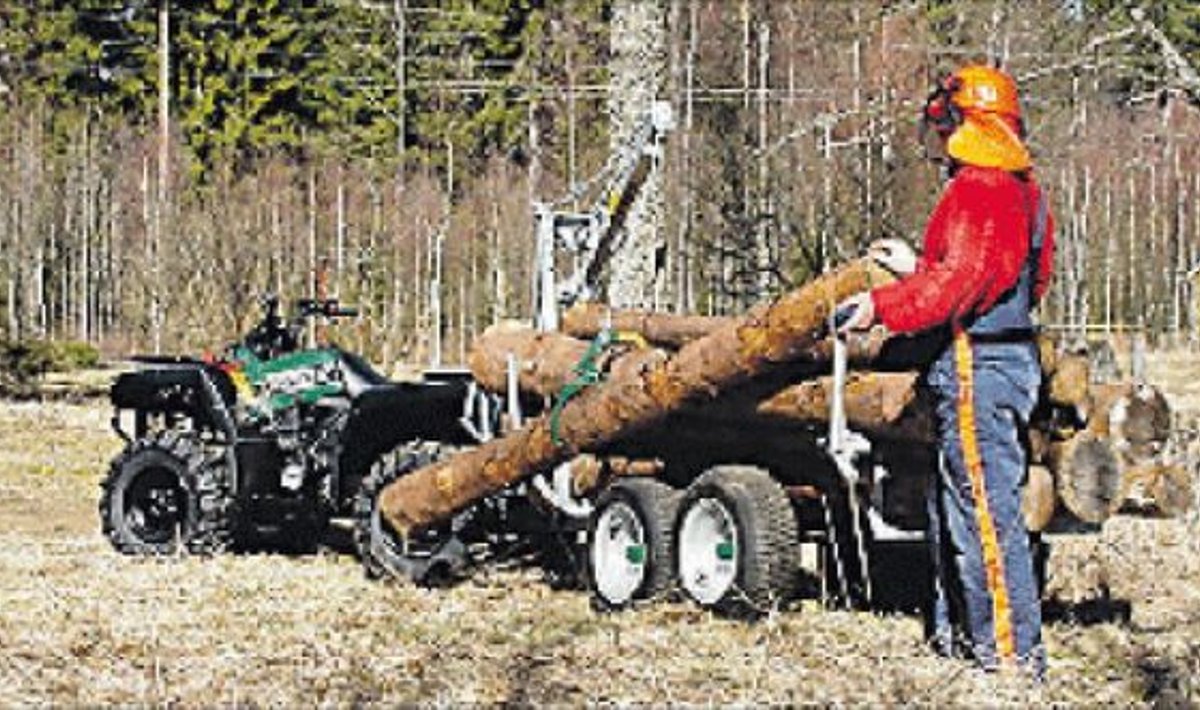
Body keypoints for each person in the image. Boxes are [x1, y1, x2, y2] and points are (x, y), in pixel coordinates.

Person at [836, 64, 1055, 678]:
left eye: (946, 122)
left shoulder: (978, 190)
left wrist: (880, 306)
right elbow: (1018, 280)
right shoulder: (1025, 193)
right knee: (957, 507)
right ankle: (963, 640)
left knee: (983, 513)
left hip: (975, 362)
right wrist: (918, 269)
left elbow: (959, 284)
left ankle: (1010, 661)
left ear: (966, 123)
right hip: (1008, 355)